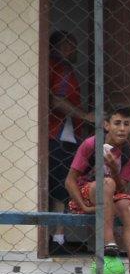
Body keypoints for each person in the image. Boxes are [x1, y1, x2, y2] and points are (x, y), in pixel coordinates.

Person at [65, 104, 130, 274]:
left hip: (111, 195)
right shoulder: (92, 144)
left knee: (128, 207)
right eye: (117, 123)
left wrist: (113, 168)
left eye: (126, 124)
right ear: (106, 125)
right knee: (107, 183)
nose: (122, 128)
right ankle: (109, 243)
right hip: (86, 193)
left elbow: (122, 189)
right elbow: (70, 181)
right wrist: (83, 206)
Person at [47, 31, 92, 251]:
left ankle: (58, 237)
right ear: (58, 47)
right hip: (57, 135)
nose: (73, 50)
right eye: (69, 45)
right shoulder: (61, 69)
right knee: (60, 186)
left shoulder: (61, 68)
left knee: (61, 187)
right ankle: (57, 239)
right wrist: (84, 116)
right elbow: (57, 100)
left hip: (66, 135)